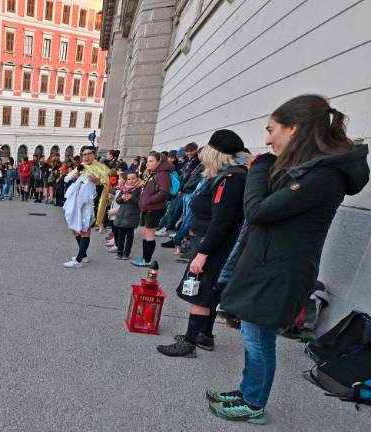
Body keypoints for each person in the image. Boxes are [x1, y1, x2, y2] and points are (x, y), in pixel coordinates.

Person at [207, 95, 369, 424]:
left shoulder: (323, 175)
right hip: (271, 266)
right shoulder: (310, 170)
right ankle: (248, 390)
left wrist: (261, 168)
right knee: (255, 336)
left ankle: (253, 404)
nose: (266, 139)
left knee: (258, 338)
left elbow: (258, 210)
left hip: (280, 271)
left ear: (293, 129)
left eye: (271, 130)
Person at [156, 130, 249, 358]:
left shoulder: (230, 179)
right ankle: (203, 335)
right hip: (213, 241)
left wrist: (203, 253)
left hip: (213, 243)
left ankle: (189, 342)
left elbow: (222, 221)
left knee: (199, 290)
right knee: (208, 290)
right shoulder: (229, 176)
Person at [62, 146, 109, 268]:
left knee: (84, 230)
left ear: (94, 155)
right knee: (73, 228)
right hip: (74, 202)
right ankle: (84, 255)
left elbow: (106, 184)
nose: (86, 157)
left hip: (88, 203)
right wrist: (74, 175)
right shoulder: (81, 166)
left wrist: (97, 182)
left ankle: (78, 260)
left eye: (88, 154)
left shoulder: (101, 168)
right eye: (84, 154)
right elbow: (67, 178)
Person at [131, 152, 172, 267]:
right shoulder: (153, 173)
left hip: (154, 209)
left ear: (159, 162)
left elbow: (164, 192)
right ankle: (144, 257)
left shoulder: (162, 174)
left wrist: (148, 200)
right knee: (145, 233)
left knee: (149, 234)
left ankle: (147, 260)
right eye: (147, 161)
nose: (147, 163)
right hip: (147, 208)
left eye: (151, 161)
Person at [111, 172, 142, 260]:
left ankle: (126, 253)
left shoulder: (140, 189)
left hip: (132, 215)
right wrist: (123, 198)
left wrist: (131, 198)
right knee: (120, 235)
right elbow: (118, 200)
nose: (131, 180)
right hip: (122, 215)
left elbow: (139, 202)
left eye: (133, 178)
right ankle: (119, 252)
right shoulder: (124, 188)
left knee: (129, 236)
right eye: (129, 179)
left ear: (137, 179)